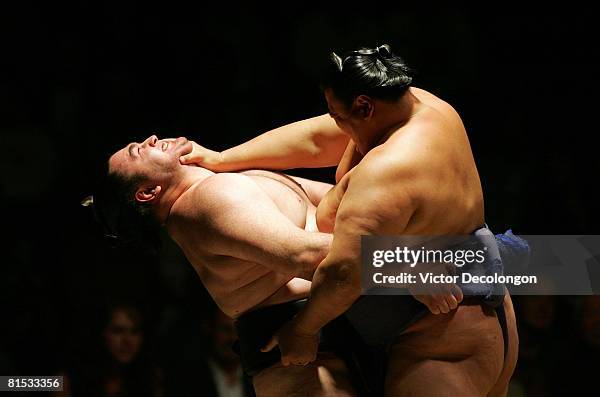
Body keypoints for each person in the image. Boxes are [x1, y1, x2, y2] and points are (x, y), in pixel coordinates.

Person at [179, 44, 519, 396]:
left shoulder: (387, 171)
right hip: (465, 314)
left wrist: (304, 330)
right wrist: (222, 159)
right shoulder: (418, 104)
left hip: (445, 336)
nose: (337, 125)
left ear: (364, 107)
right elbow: (315, 139)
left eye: (339, 116)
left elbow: (345, 272)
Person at [94, 135, 359, 396]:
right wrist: (400, 264)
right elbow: (312, 258)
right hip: (303, 360)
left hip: (348, 316)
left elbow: (340, 203)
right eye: (138, 151)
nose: (150, 139)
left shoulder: (225, 177)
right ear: (148, 192)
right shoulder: (203, 203)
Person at [53, 301, 163, 397]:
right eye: (117, 331)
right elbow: (37, 383)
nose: (128, 340)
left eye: (134, 332)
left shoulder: (149, 377)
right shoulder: (67, 379)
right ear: (101, 334)